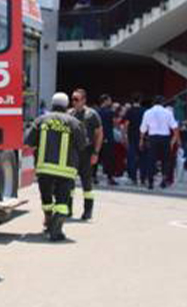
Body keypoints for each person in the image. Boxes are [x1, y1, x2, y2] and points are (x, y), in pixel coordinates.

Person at [24, 92, 87, 241]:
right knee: (62, 201)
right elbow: (82, 145)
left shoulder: (41, 120)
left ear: (52, 104)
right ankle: (57, 229)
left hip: (44, 168)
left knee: (46, 198)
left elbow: (28, 141)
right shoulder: (74, 123)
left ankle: (48, 220)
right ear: (66, 106)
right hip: (66, 170)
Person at [69, 88, 102, 220]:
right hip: (72, 153)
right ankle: (67, 209)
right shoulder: (70, 114)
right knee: (69, 183)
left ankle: (88, 211)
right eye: (72, 99)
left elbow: (99, 134)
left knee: (87, 184)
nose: (73, 102)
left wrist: (96, 153)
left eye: (76, 99)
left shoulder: (92, 115)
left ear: (84, 100)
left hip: (87, 153)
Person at [139, 95, 180, 189]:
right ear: (163, 103)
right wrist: (173, 141)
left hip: (152, 138)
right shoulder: (168, 112)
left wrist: (141, 140)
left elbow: (143, 128)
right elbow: (175, 127)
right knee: (166, 160)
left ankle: (150, 181)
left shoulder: (147, 112)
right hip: (165, 138)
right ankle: (164, 180)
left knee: (151, 160)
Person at [123, 94, 146, 184]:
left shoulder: (130, 111)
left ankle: (133, 178)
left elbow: (126, 124)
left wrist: (124, 135)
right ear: (140, 100)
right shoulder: (144, 111)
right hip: (142, 137)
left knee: (132, 158)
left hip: (131, 136)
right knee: (143, 158)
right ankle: (143, 178)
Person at [97, 94, 118, 186]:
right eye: (109, 100)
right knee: (109, 159)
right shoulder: (110, 112)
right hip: (108, 137)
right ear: (105, 101)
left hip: (98, 137)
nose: (111, 101)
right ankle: (110, 178)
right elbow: (114, 123)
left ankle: (93, 177)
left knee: (97, 156)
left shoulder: (96, 112)